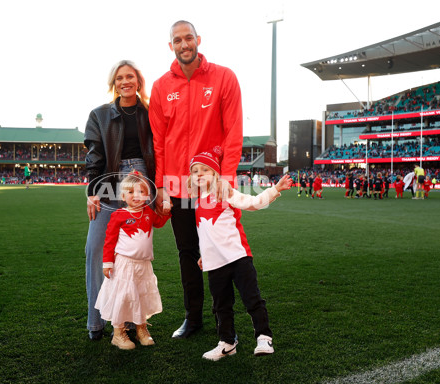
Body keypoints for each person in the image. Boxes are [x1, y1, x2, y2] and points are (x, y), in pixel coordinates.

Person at [149, 20, 243, 339]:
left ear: (198, 40)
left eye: (189, 38)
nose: (184, 44)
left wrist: (225, 179)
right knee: (187, 253)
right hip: (177, 187)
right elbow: (158, 142)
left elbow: (233, 132)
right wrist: (161, 185)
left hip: (211, 187)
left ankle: (223, 318)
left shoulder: (223, 77)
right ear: (171, 45)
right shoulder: (162, 87)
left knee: (219, 252)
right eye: (178, 40)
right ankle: (193, 317)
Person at [187, 147, 293, 360]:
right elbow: (206, 232)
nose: (199, 174)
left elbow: (253, 204)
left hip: (238, 257)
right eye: (195, 170)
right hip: (215, 263)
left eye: (205, 170)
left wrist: (275, 189)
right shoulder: (197, 201)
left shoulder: (224, 192)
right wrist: (204, 255)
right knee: (221, 305)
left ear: (215, 174)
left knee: (251, 299)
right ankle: (227, 342)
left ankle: (264, 337)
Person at [84, 60, 156, 341]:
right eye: (119, 78)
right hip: (109, 180)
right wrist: (92, 190)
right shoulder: (99, 115)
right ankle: (95, 322)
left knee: (131, 257)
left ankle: (129, 322)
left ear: (139, 81)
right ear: (113, 83)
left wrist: (159, 188)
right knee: (95, 249)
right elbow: (94, 155)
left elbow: (160, 148)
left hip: (142, 182)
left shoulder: (151, 113)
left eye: (130, 76)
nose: (125, 81)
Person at [94, 172, 170, 350]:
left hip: (144, 265)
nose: (136, 196)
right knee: (123, 296)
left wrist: (166, 212)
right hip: (124, 265)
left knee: (141, 296)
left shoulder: (148, 212)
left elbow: (158, 222)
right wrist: (107, 263)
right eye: (131, 192)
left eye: (141, 192)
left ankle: (141, 329)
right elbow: (109, 241)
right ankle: (119, 333)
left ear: (147, 195)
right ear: (122, 196)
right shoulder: (119, 215)